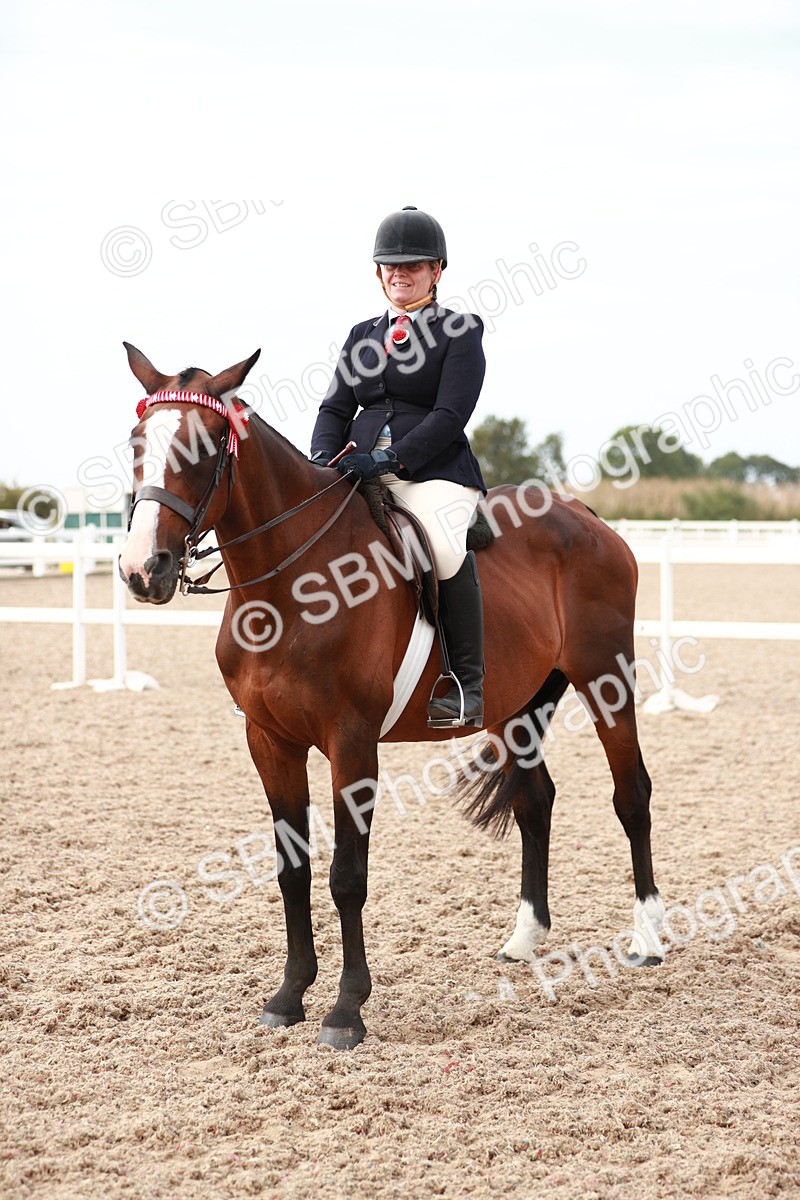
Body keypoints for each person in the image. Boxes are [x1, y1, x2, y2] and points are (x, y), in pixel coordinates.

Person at [310, 205, 487, 728]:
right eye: (391, 265)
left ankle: (464, 683)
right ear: (378, 272)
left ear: (437, 270)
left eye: (414, 264)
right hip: (357, 467)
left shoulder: (460, 330)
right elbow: (335, 408)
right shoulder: (362, 334)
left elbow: (451, 414)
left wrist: (392, 457)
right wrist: (323, 460)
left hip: (434, 473)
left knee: (445, 546)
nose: (400, 273)